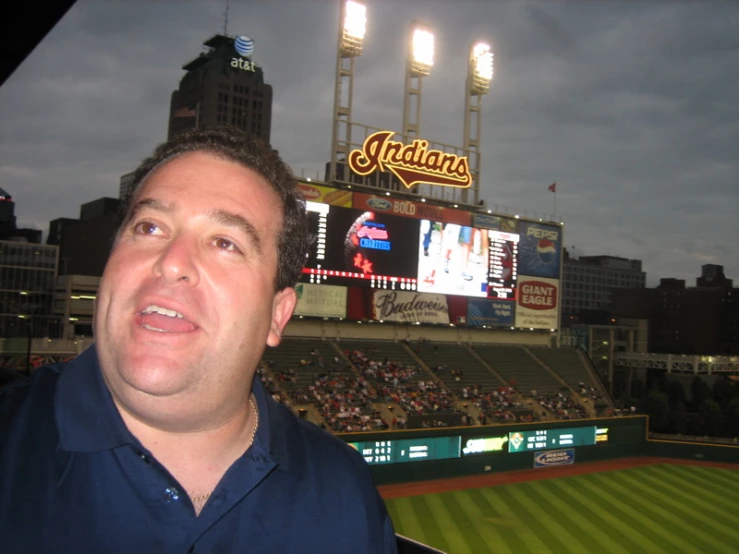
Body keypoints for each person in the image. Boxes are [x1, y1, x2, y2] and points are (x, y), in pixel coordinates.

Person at [0, 127, 397, 553]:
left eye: (225, 242)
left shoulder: (342, 489)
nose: (171, 263)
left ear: (276, 315)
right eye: (150, 227)